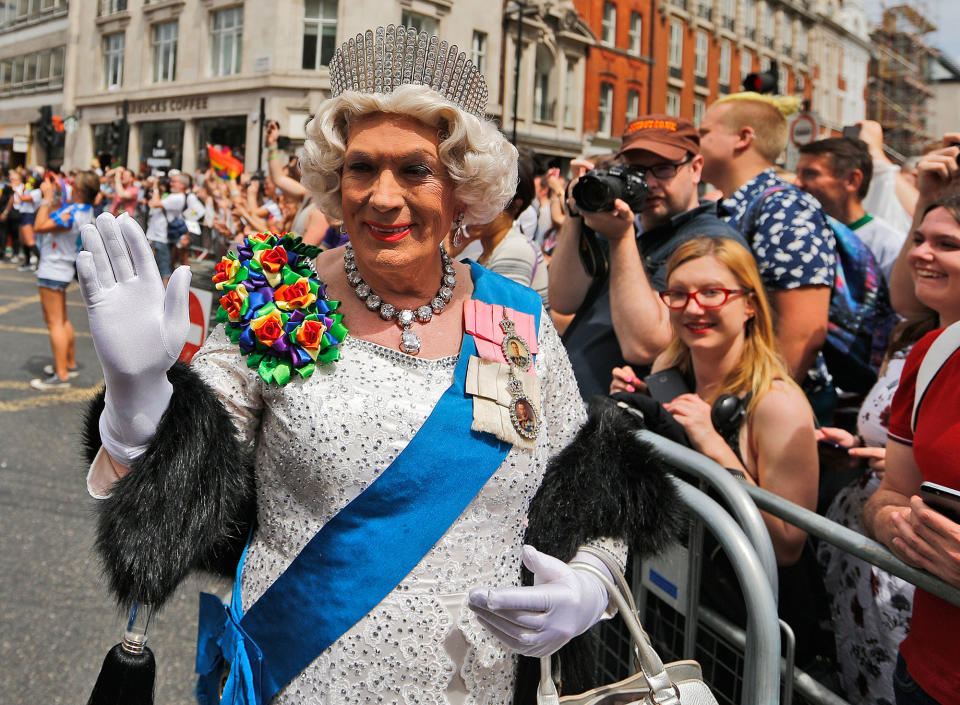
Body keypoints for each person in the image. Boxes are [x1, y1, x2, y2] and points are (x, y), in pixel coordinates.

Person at [77, 25, 675, 705]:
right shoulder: (277, 297)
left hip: (474, 685)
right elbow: (188, 483)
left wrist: (592, 577)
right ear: (337, 177)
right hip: (298, 677)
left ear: (462, 188)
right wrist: (135, 402)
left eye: (415, 169)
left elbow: (592, 487)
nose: (382, 196)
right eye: (362, 167)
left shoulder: (516, 317)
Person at [610, 236, 824, 665]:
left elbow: (787, 545)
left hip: (752, 637)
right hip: (679, 619)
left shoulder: (776, 404)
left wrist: (710, 444)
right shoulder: (667, 375)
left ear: (748, 304)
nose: (693, 308)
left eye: (712, 293)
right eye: (678, 294)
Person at [549, 114, 742, 401]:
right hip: (571, 409)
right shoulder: (620, 224)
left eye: (663, 169)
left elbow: (643, 346)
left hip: (626, 425)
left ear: (696, 168)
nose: (648, 183)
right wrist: (578, 212)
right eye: (637, 171)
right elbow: (564, 300)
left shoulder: (709, 242)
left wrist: (621, 238)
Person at [864, 194, 960, 705]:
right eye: (920, 239)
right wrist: (898, 526)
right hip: (927, 672)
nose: (922, 254)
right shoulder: (932, 352)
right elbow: (891, 493)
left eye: (948, 244)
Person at [699, 93, 838, 419]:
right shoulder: (734, 207)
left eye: (704, 133)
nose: (696, 141)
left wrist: (752, 411)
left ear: (743, 137)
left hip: (769, 410)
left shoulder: (784, 207)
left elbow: (803, 330)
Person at [796, 137, 905, 283]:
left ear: (852, 180)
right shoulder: (800, 233)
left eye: (811, 174)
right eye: (798, 173)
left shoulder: (889, 245)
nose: (797, 183)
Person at [29, 170, 99, 390]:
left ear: (77, 189)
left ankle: (61, 375)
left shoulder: (71, 213)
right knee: (62, 318)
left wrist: (47, 199)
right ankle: (68, 363)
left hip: (53, 268)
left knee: (54, 322)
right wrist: (56, 195)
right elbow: (57, 214)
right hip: (63, 266)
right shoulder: (84, 210)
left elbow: (39, 226)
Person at [458, 152, 550, 310]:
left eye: (485, 199)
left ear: (514, 206)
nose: (470, 208)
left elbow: (497, 316)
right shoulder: (481, 252)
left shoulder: (515, 249)